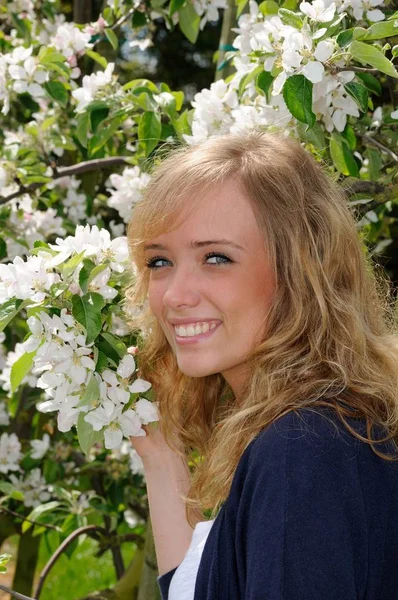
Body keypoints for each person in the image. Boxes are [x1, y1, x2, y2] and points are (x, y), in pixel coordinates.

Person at [126, 131, 398, 600]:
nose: (174, 296)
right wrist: (161, 452)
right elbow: (201, 586)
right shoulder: (329, 424)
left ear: (299, 270)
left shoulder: (303, 448)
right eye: (159, 261)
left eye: (216, 258)